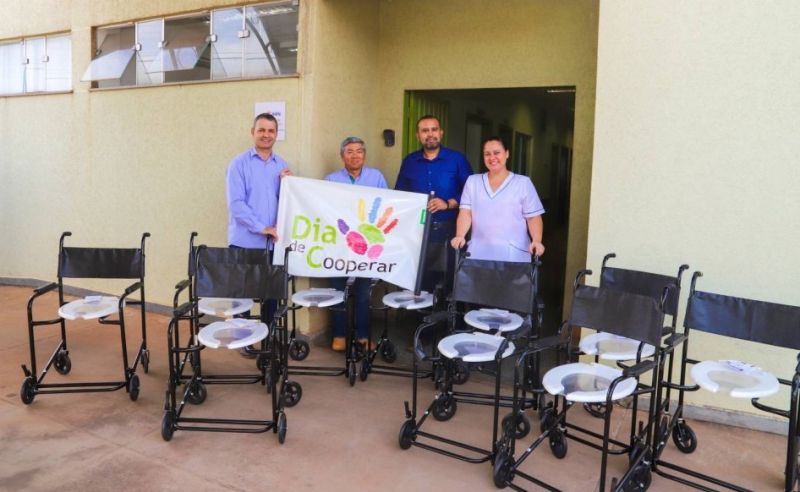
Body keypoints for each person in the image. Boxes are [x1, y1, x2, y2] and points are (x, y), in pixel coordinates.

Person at [226, 112, 292, 357]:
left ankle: (269, 337)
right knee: (242, 294)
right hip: (245, 241)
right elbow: (236, 204)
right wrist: (261, 227)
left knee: (270, 295)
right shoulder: (238, 164)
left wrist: (288, 186)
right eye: (261, 130)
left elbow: (285, 202)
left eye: (271, 131)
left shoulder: (281, 165)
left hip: (272, 244)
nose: (266, 135)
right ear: (252, 132)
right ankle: (242, 339)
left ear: (276, 134)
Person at [324, 136, 388, 351]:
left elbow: (387, 205)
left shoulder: (376, 177)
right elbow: (324, 209)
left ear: (364, 155)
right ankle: (339, 335)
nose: (355, 155)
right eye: (349, 151)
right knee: (337, 292)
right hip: (339, 245)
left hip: (366, 247)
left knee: (363, 293)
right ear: (342, 155)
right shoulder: (331, 180)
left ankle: (362, 335)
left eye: (359, 151)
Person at [395, 115, 472, 290]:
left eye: (434, 129)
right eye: (425, 130)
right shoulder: (409, 161)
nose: (430, 134)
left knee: (450, 282)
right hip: (418, 232)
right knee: (420, 280)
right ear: (418, 136)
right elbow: (400, 194)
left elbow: (471, 192)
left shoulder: (457, 160)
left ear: (441, 133)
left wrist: (449, 203)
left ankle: (447, 308)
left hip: (450, 231)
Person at [451, 136, 545, 261]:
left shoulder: (523, 183)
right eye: (487, 154)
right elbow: (465, 213)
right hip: (479, 253)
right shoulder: (473, 182)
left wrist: (537, 240)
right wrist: (460, 235)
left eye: (496, 153)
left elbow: (533, 217)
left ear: (507, 154)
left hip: (514, 256)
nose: (492, 158)